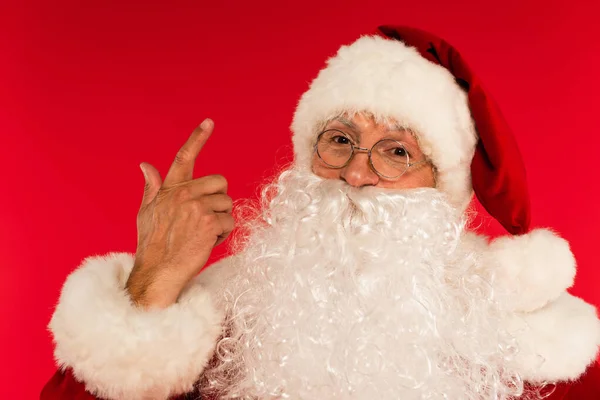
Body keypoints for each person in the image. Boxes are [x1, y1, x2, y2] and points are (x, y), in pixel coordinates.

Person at [41, 25, 600, 400]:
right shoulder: (224, 309)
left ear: (442, 185)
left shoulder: (528, 337)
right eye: (339, 140)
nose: (356, 175)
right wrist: (154, 280)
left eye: (397, 152)